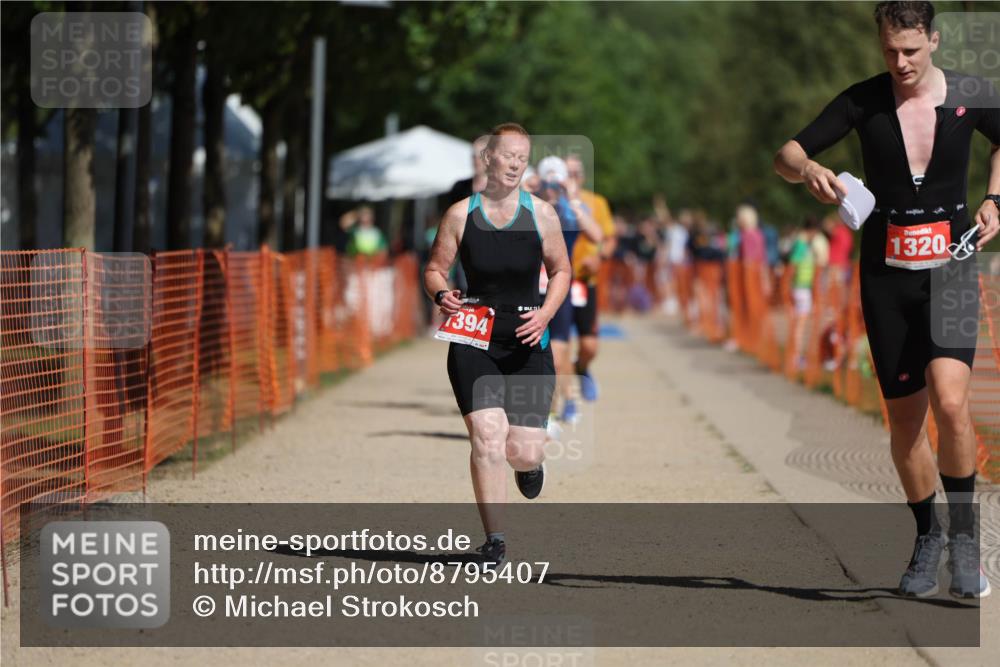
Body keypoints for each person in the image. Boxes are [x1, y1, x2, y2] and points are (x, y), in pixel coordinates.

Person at [774, 1, 999, 598]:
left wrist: (995, 199)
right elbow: (786, 154)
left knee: (951, 401)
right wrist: (809, 170)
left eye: (911, 51)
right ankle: (928, 536)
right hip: (886, 278)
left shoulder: (972, 94)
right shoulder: (863, 100)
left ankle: (966, 540)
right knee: (905, 421)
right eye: (890, 51)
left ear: (935, 41)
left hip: (951, 269)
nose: (900, 63)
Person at [423, 123, 572, 567]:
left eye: (522, 158)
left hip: (528, 339)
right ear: (488, 157)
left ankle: (531, 465)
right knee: (487, 437)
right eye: (508, 155)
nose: (515, 164)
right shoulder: (459, 214)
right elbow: (434, 269)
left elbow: (562, 271)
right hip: (474, 337)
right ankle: (495, 542)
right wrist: (441, 294)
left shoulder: (542, 214)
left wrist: (545, 314)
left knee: (522, 451)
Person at [534, 156, 603, 424]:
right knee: (535, 359)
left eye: (557, 182)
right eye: (547, 182)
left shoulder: (569, 210)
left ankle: (554, 412)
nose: (552, 188)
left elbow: (597, 235)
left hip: (559, 292)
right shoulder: (528, 206)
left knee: (555, 356)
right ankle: (552, 407)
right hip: (529, 291)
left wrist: (572, 198)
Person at [565, 155, 617, 402]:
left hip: (585, 282)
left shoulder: (596, 203)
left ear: (583, 176)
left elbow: (609, 239)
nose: (571, 178)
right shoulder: (550, 201)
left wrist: (599, 258)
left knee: (589, 346)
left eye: (576, 173)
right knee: (560, 345)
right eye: (567, 173)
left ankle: (582, 367)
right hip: (556, 283)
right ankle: (566, 399)